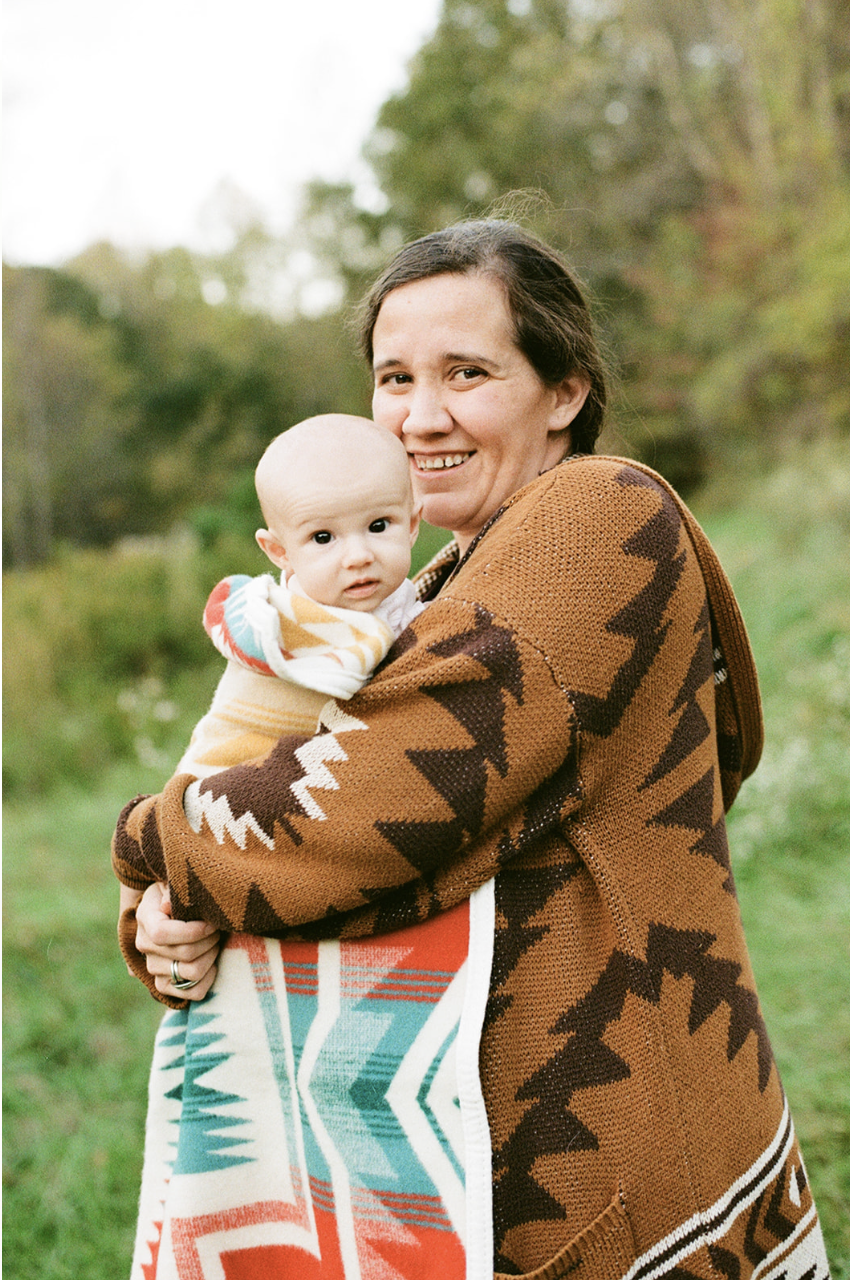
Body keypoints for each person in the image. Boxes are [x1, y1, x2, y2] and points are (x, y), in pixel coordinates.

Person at [114, 220, 829, 1280]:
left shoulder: (592, 518)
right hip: (512, 1169)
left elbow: (357, 815)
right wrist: (172, 915)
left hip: (622, 1172)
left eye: (467, 372)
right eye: (394, 376)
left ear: (565, 390)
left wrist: (145, 842)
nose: (418, 415)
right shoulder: (441, 582)